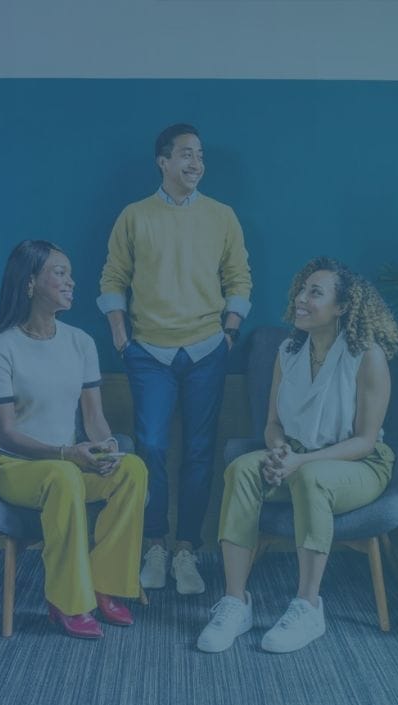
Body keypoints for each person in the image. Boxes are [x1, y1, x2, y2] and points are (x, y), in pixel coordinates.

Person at [197, 258, 398, 653]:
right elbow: (272, 423)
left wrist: (298, 463)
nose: (301, 299)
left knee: (312, 478)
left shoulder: (367, 356)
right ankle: (236, 603)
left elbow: (365, 439)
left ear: (342, 308)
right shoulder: (288, 350)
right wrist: (277, 452)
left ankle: (308, 607)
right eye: (302, 289)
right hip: (295, 457)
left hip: (358, 464)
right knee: (242, 469)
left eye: (315, 293)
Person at [99, 122, 253, 595]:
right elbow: (112, 279)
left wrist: (229, 331)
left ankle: (187, 549)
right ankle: (155, 545)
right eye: (186, 154)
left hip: (207, 349)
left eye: (200, 155)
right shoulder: (134, 216)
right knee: (151, 448)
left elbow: (239, 278)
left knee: (201, 453)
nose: (196, 164)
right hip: (148, 352)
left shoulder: (222, 215)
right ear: (163, 161)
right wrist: (122, 336)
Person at [0, 240, 148, 639]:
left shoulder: (80, 342)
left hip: (68, 463)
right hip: (14, 467)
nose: (71, 282)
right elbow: (5, 433)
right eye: (59, 272)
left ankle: (104, 585)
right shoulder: (1, 348)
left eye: (69, 273)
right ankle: (68, 601)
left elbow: (93, 418)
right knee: (63, 476)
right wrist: (65, 454)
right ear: (30, 282)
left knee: (132, 469)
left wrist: (107, 447)